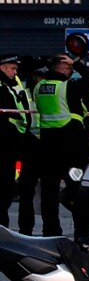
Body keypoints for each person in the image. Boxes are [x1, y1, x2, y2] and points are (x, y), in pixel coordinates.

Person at [32, 53, 89, 237]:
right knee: (78, 191)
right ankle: (81, 233)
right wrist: (76, 62)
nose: (71, 71)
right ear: (61, 68)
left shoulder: (38, 88)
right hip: (70, 149)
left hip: (47, 147)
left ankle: (50, 232)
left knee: (48, 193)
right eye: (68, 68)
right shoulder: (67, 87)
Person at [0, 53, 36, 230]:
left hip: (16, 142)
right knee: (3, 192)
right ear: (2, 68)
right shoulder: (1, 86)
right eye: (12, 68)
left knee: (8, 190)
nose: (15, 72)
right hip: (6, 143)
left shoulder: (13, 83)